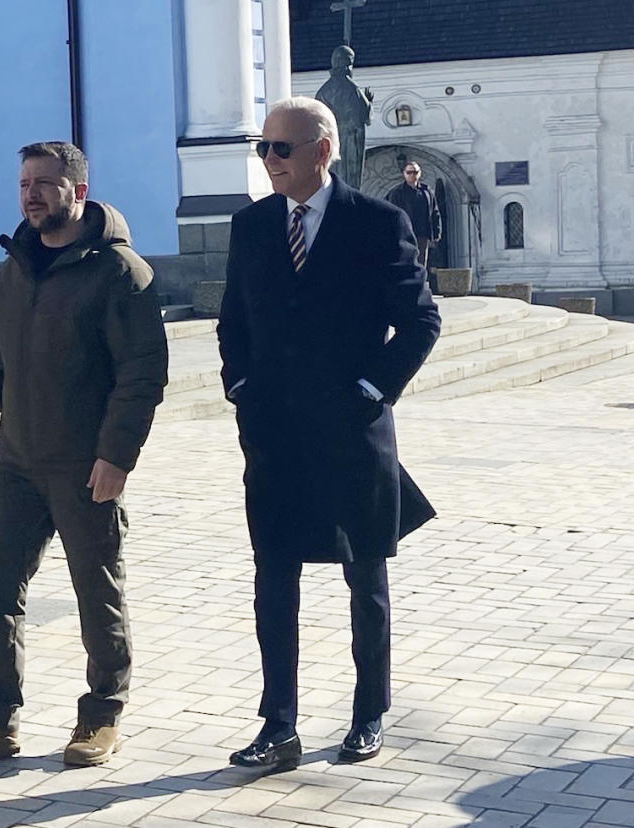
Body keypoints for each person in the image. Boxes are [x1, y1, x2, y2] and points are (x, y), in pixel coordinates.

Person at [0, 141, 168, 767]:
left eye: (46, 184)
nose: (32, 193)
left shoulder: (121, 274)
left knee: (97, 591)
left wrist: (116, 456)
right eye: (25, 182)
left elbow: (142, 375)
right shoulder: (14, 271)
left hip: (86, 467)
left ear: (78, 192)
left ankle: (101, 716)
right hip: (19, 465)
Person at [217, 97, 440, 771]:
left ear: (321, 151)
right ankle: (276, 724)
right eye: (262, 148)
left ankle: (368, 712)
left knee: (363, 576)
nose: (268, 160)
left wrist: (372, 391)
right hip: (275, 435)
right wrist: (241, 389)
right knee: (273, 577)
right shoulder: (252, 225)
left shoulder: (377, 223)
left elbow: (421, 321)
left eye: (279, 148)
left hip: (351, 432)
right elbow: (233, 321)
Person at [315, 45, 374, 189]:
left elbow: (317, 118)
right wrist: (369, 102)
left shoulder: (323, 90)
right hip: (351, 140)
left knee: (333, 176)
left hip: (330, 141)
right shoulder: (351, 88)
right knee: (350, 179)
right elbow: (365, 116)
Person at [385, 161, 442, 272]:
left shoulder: (427, 192)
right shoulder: (396, 193)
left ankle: (419, 286)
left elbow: (435, 212)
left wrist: (436, 233)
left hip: (422, 234)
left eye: (415, 172)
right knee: (405, 261)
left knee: (421, 263)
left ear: (419, 174)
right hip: (404, 234)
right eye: (409, 172)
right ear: (404, 174)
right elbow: (390, 213)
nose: (412, 175)